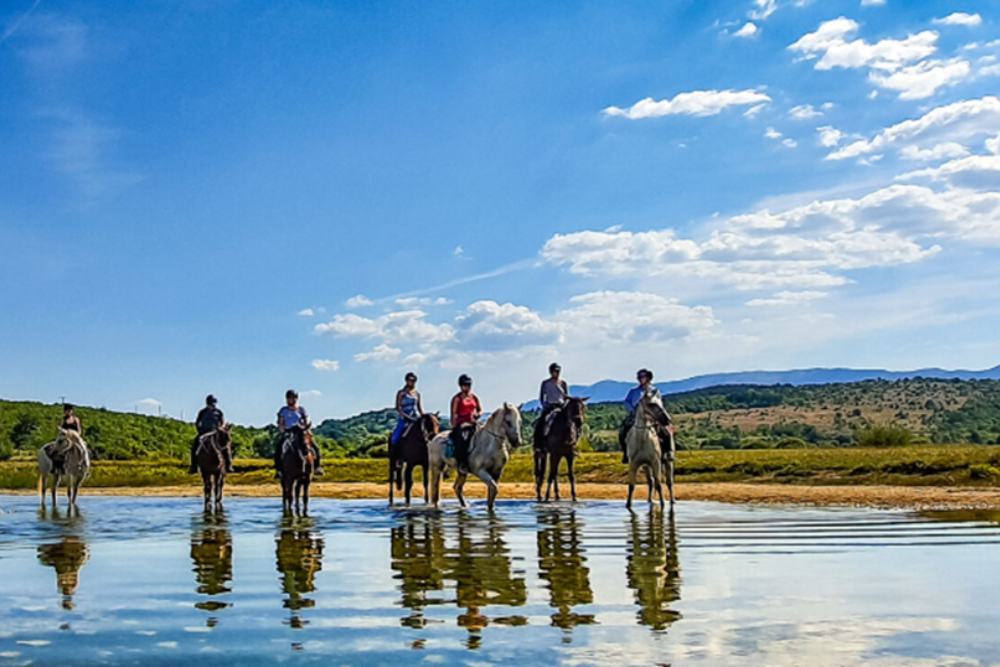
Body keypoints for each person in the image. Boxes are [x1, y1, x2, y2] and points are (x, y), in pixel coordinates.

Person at [619, 369, 672, 464]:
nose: (640, 379)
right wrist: (632, 409)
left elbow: (659, 403)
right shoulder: (633, 391)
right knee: (623, 431)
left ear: (648, 378)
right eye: (639, 377)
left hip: (652, 416)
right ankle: (626, 453)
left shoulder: (655, 391)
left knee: (665, 431)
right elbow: (626, 401)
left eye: (642, 377)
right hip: (635, 415)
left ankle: (667, 452)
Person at [275, 389, 323, 479]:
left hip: (300, 431)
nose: (292, 400)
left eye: (294, 398)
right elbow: (281, 423)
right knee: (279, 448)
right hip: (289, 431)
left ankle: (317, 467)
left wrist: (305, 427)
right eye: (290, 398)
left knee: (314, 447)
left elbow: (307, 419)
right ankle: (279, 470)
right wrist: (283, 431)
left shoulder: (302, 409)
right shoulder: (283, 410)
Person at [449, 374, 482, 474]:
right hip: (462, 422)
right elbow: (453, 413)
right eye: (465, 385)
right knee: (463, 440)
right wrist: (454, 426)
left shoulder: (474, 397)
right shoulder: (457, 398)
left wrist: (478, 415)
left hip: (473, 421)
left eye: (468, 385)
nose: (467, 387)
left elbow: (480, 410)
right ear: (461, 386)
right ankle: (462, 463)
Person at [190, 395, 231, 474]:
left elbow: (222, 423)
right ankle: (194, 466)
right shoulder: (202, 412)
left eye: (213, 403)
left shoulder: (219, 412)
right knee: (195, 446)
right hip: (204, 433)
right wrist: (200, 430)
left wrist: (220, 429)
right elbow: (198, 422)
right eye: (210, 403)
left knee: (225, 447)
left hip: (215, 432)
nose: (212, 405)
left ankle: (228, 465)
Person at [534, 363, 569, 448]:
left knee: (572, 423)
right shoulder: (546, 383)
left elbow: (566, 396)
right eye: (554, 371)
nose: (556, 373)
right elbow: (542, 397)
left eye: (557, 371)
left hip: (561, 407)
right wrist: (545, 405)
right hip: (550, 406)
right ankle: (538, 445)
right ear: (551, 372)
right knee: (541, 423)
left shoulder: (563, 383)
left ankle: (571, 444)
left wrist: (565, 405)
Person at [390, 373, 424, 454]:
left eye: (413, 380)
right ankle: (396, 455)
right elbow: (398, 407)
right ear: (406, 381)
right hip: (404, 417)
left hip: (415, 416)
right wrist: (404, 415)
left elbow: (419, 407)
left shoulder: (417, 394)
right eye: (410, 380)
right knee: (395, 437)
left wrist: (423, 416)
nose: (411, 382)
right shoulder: (401, 393)